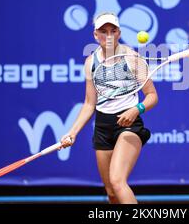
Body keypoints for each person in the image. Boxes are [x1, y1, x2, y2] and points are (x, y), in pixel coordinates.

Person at [59, 12, 158, 204]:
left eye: (113, 31)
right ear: (96, 35)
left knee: (118, 181)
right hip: (103, 127)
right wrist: (72, 133)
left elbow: (152, 96)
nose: (109, 36)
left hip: (129, 125)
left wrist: (136, 109)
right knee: (111, 192)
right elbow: (89, 104)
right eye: (103, 32)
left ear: (119, 33)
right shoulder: (90, 63)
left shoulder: (132, 58)